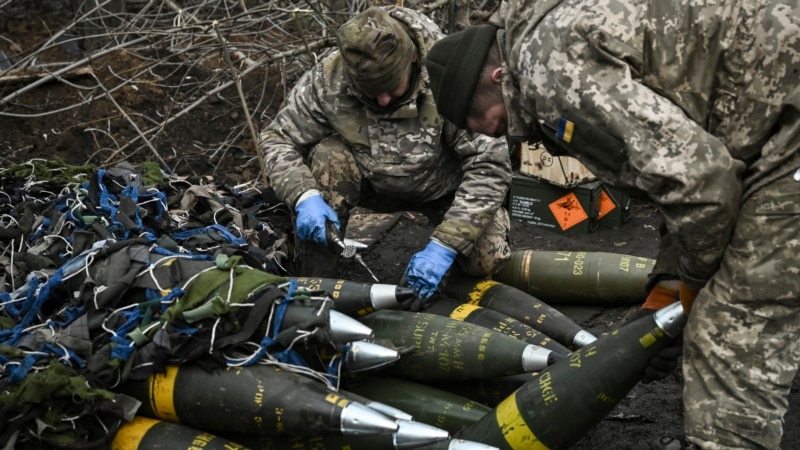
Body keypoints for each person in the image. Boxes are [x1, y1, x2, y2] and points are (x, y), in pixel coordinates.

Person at [423, 1, 800, 449]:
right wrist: (669, 281)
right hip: (772, 112)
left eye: (475, 119)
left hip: (785, 133)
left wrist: (696, 288)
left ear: (496, 79)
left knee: (729, 338)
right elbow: (672, 177)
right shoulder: (549, 40)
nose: (488, 134)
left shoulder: (548, 70)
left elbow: (701, 184)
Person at [260, 6, 512, 302]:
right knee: (329, 157)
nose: (383, 99)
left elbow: (490, 166)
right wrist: (304, 196)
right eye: (370, 91)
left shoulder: (449, 75)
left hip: (445, 190)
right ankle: (316, 285)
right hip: (372, 182)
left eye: (391, 86)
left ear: (413, 59)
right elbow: (277, 137)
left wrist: (445, 246)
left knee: (486, 257)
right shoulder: (329, 78)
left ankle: (446, 283)